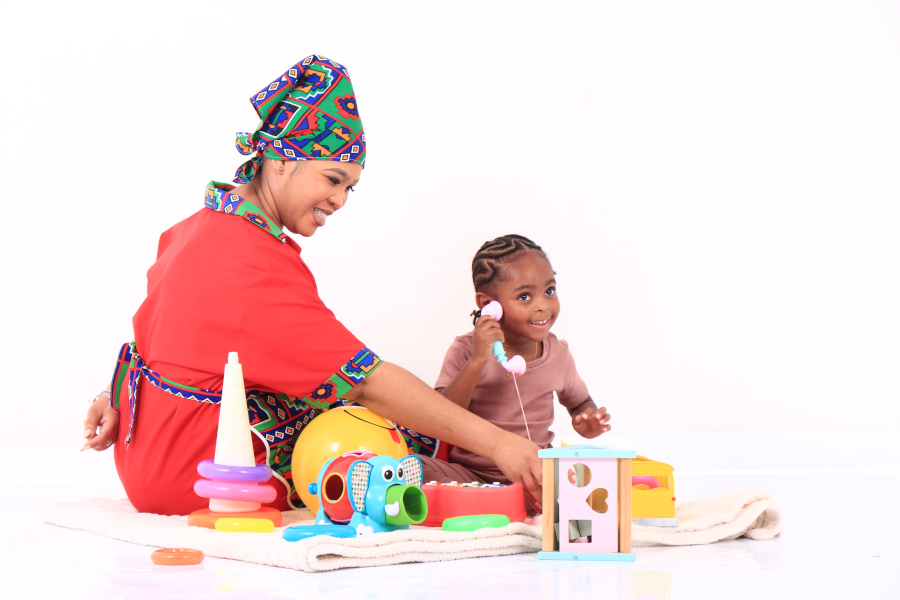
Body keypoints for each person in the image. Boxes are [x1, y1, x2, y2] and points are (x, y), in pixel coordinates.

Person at [81, 56, 542, 515]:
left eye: (349, 188)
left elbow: (163, 338)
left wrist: (111, 395)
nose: (339, 200)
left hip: (144, 455)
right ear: (282, 161)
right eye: (333, 179)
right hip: (205, 475)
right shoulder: (250, 264)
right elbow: (366, 382)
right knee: (388, 435)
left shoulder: (196, 229)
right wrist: (500, 444)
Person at [418, 234, 611, 499]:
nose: (543, 305)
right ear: (488, 305)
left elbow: (580, 403)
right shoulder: (465, 350)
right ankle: (495, 499)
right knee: (412, 467)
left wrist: (587, 420)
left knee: (593, 474)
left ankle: (511, 501)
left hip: (535, 473)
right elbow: (440, 415)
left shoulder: (558, 353)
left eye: (549, 291)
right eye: (524, 296)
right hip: (470, 475)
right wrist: (478, 360)